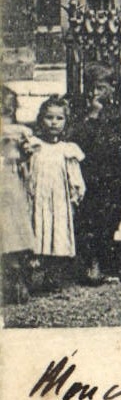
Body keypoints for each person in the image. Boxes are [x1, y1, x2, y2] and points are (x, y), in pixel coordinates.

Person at [27, 96, 84, 287]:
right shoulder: (34, 146)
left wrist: (75, 197)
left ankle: (53, 274)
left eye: (59, 118)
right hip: (38, 198)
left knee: (57, 231)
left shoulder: (67, 150)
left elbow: (75, 178)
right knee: (37, 229)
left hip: (58, 200)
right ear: (41, 119)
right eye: (49, 117)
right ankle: (33, 272)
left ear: (66, 121)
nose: (54, 122)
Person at [74, 82, 121, 284]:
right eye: (92, 87)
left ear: (111, 89)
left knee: (110, 217)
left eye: (100, 88)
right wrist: (93, 116)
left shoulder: (116, 112)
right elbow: (80, 139)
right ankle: (92, 263)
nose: (94, 93)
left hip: (111, 175)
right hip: (89, 174)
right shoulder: (83, 112)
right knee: (90, 218)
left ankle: (105, 261)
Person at [1, 88, 37, 303]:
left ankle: (18, 280)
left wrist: (26, 151)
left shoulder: (19, 131)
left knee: (14, 230)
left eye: (8, 110)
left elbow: (26, 155)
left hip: (12, 183)